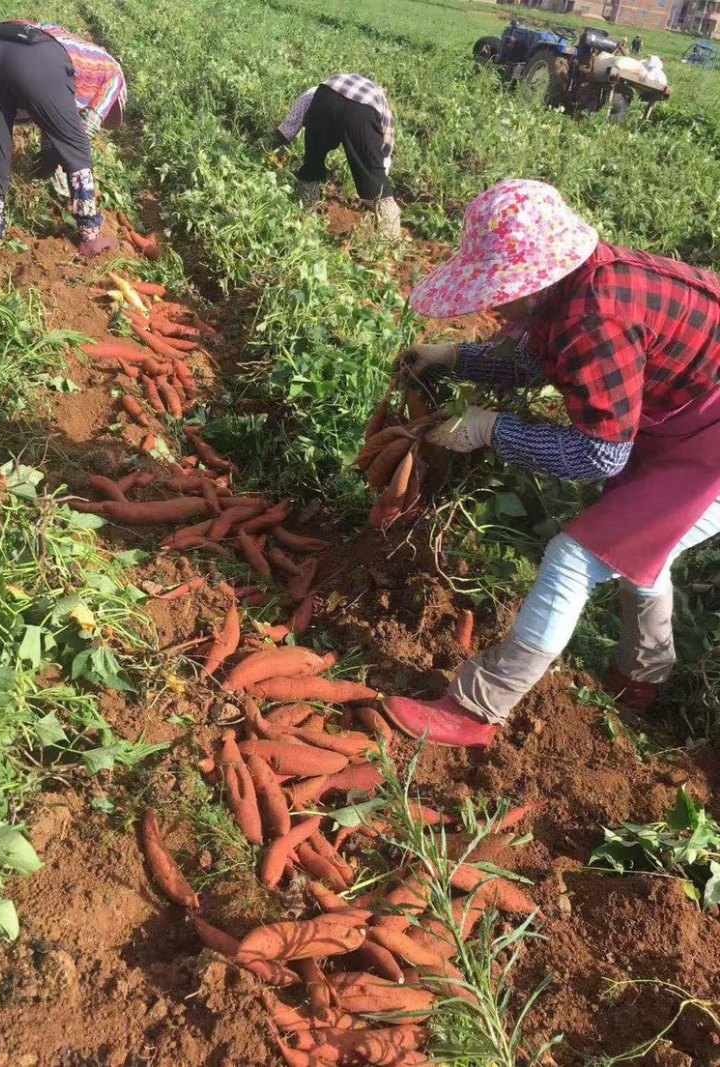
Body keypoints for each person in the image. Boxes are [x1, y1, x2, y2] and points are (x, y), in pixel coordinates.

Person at [382, 179, 720, 748]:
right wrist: (452, 357)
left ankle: (478, 709)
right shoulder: (576, 286)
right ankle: (641, 680)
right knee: (642, 546)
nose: (491, 304)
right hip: (687, 418)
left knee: (576, 556)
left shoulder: (597, 317)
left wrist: (492, 431)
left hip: (710, 447)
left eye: (498, 289)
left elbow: (598, 456)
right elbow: (538, 360)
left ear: (536, 280)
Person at [0, 21, 126, 259]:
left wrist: (45, 168)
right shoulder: (114, 75)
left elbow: (51, 121)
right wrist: (68, 167)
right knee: (78, 148)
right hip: (38, 56)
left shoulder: (77, 48)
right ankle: (91, 236)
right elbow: (82, 131)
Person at [275, 73, 401, 240]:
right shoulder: (379, 102)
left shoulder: (315, 91)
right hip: (361, 113)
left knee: (313, 160)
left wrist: (279, 140)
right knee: (374, 176)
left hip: (326, 97)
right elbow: (384, 149)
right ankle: (389, 236)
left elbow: (292, 121)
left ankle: (306, 214)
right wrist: (377, 181)